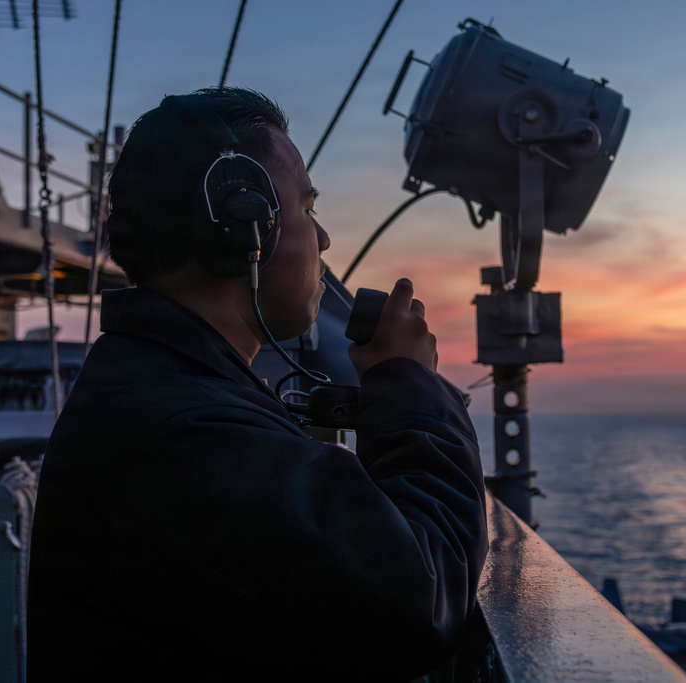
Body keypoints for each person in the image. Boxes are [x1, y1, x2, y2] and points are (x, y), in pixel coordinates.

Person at [27, 87, 487, 682]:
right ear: (242, 225)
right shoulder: (185, 434)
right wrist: (408, 384)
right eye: (308, 209)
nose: (322, 241)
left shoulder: (159, 388)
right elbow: (422, 599)